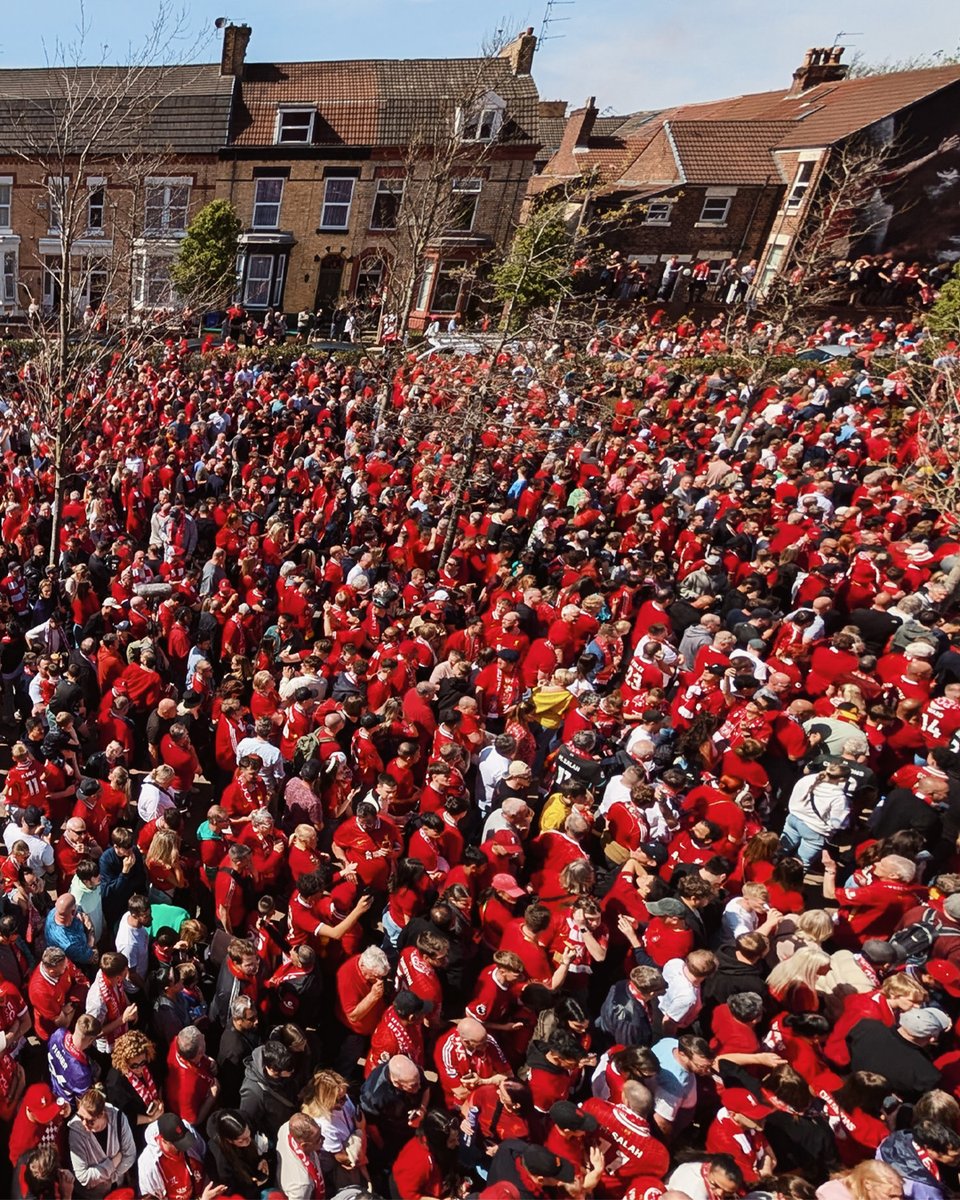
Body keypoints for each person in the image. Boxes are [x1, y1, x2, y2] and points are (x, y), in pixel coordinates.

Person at [67, 1086, 136, 1199]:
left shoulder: (119, 1118)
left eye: (90, 1121)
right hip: (92, 1196)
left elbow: (130, 1155)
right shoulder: (76, 1131)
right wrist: (112, 1164)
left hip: (117, 1188)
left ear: (102, 1114)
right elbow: (83, 1177)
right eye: (81, 1117)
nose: (84, 1123)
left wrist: (112, 1176)